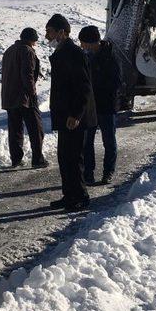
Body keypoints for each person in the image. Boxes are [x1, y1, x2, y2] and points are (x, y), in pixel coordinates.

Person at [45, 13, 96, 211]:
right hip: (65, 116)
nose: (46, 35)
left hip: (74, 117)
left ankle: (80, 197)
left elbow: (83, 86)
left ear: (62, 32)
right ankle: (69, 195)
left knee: (74, 159)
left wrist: (76, 114)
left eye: (49, 31)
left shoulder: (74, 53)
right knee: (64, 158)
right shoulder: (61, 51)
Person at [78, 25, 121, 185]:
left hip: (106, 106)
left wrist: (98, 90)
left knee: (109, 141)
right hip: (90, 107)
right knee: (87, 142)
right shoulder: (86, 56)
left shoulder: (110, 56)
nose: (82, 46)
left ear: (91, 42)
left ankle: (108, 172)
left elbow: (116, 83)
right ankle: (88, 174)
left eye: (83, 42)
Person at [1, 27, 47, 168]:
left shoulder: (9, 51)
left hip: (9, 97)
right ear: (30, 40)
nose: (35, 44)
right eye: (34, 41)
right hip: (24, 97)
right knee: (36, 129)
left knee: (15, 130)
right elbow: (28, 75)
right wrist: (32, 94)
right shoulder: (26, 51)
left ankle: (16, 159)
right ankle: (38, 160)